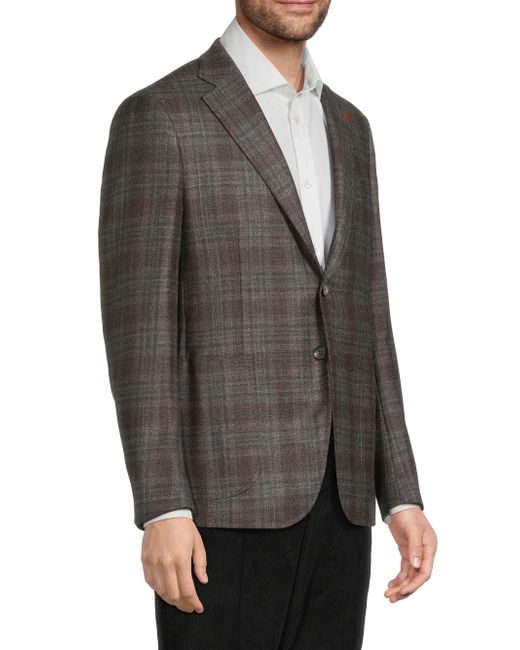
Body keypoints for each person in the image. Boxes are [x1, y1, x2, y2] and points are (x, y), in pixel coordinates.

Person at [98, 1, 438, 647]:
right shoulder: (161, 115)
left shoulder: (350, 127)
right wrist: (162, 505)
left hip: (343, 505)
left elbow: (368, 316)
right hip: (219, 506)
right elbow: (138, 331)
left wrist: (401, 495)